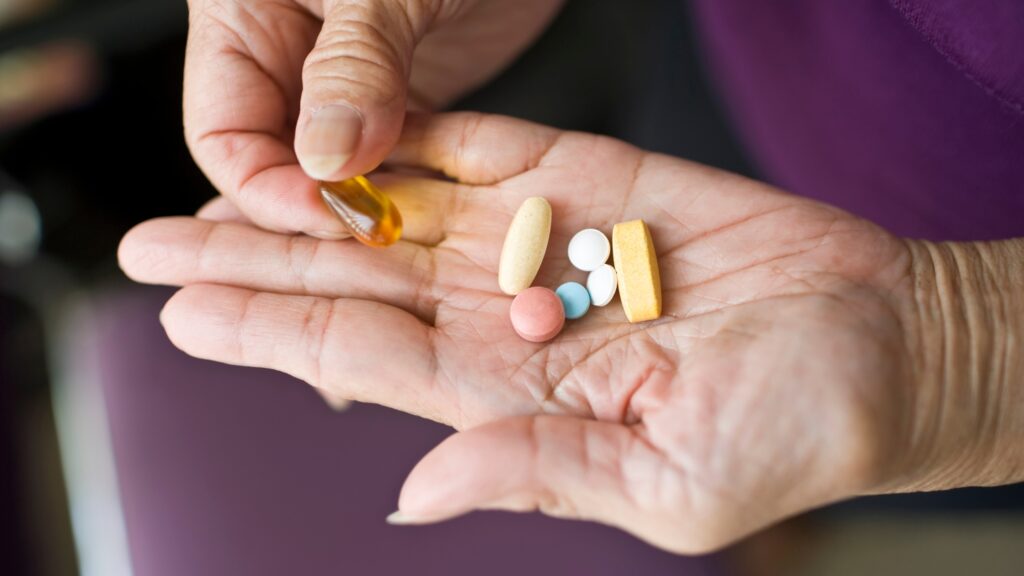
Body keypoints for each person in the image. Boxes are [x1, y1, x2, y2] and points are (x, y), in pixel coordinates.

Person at [117, 0, 1023, 553]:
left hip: (978, 313)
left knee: (832, 467)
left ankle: (797, 528)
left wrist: (957, 349)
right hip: (748, 81)